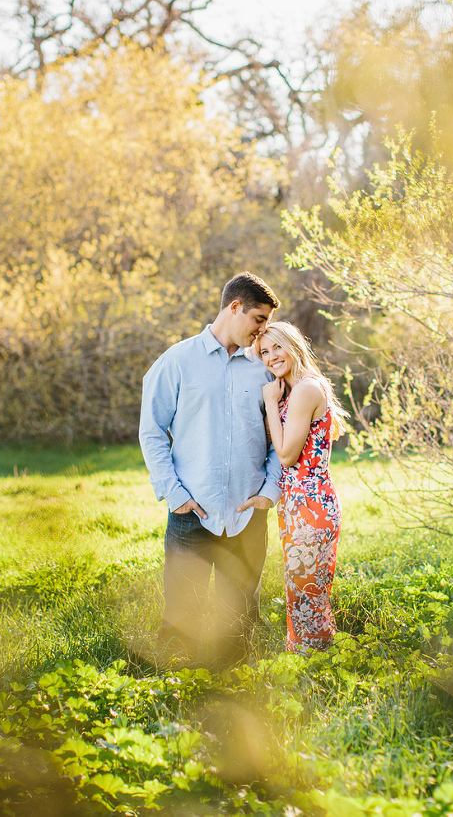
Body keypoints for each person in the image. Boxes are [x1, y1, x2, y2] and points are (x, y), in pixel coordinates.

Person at [139, 272, 282, 667]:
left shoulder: (264, 368)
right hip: (192, 513)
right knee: (181, 616)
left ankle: (238, 694)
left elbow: (279, 438)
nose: (262, 331)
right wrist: (176, 494)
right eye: (258, 320)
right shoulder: (177, 361)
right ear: (234, 307)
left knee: (239, 620)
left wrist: (270, 491)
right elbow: (151, 432)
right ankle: (175, 692)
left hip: (247, 514)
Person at [256, 321, 349, 652]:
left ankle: (315, 668)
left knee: (307, 593)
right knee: (303, 593)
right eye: (264, 352)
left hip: (310, 507)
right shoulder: (296, 390)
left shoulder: (306, 390)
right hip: (300, 507)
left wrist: (269, 402)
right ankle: (312, 663)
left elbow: (286, 455)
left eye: (276, 347)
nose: (271, 357)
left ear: (293, 344)